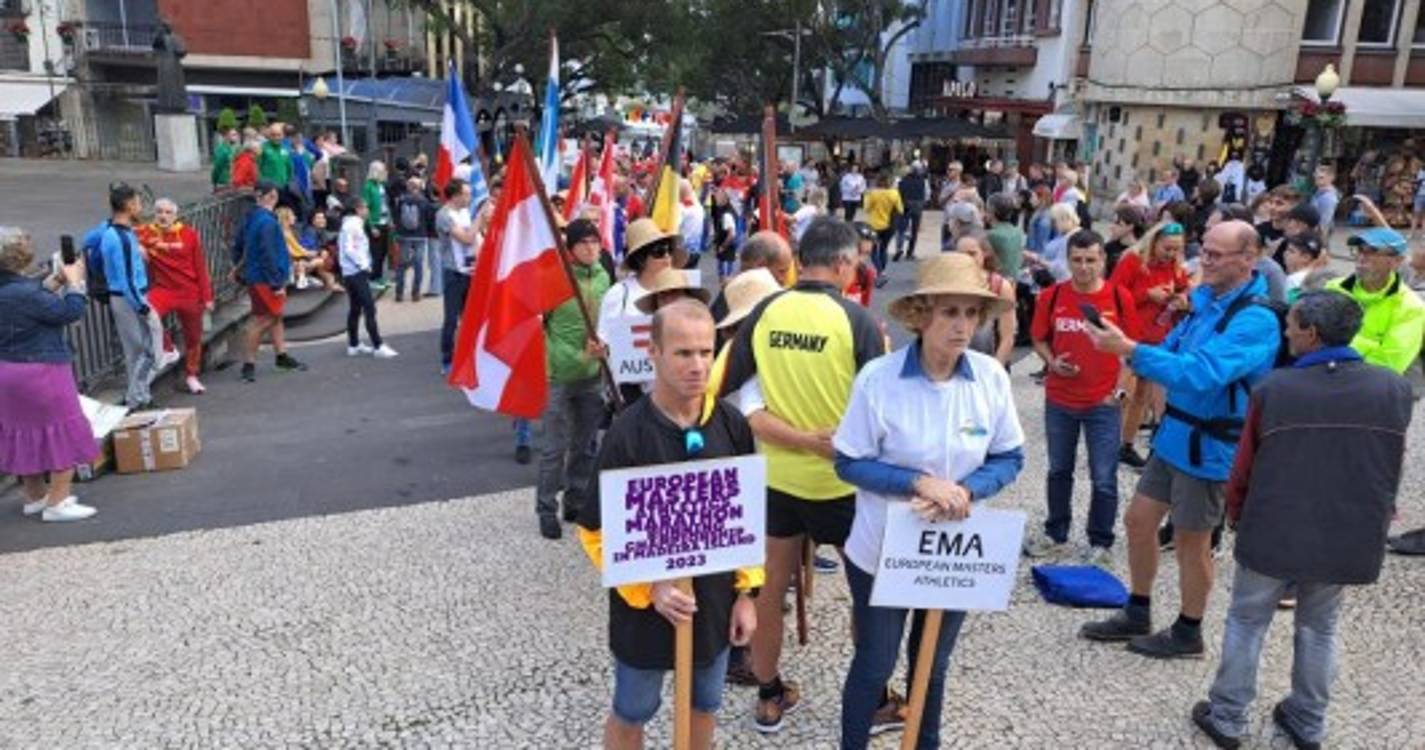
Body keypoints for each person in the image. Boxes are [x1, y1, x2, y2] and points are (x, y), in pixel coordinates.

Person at [1191, 291, 1413, 750]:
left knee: (1247, 621)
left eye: (1291, 325)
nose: (1285, 332)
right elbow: (1391, 462)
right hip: (1349, 526)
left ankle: (1229, 718)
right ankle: (1308, 721)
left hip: (1274, 522)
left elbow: (1244, 467)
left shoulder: (1275, 389)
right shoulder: (1392, 387)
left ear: (1311, 334)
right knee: (1320, 626)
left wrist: (1235, 514)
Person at [833, 252, 1025, 750]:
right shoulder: (879, 378)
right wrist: (918, 482)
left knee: (932, 666)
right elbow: (848, 462)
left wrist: (968, 490)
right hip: (881, 549)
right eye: (950, 312)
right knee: (875, 662)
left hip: (953, 552)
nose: (963, 326)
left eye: (971, 314)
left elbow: (1010, 456)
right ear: (922, 315)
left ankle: (925, 743)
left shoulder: (989, 378)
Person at [718, 216, 892, 735]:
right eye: (856, 262)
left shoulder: (767, 311)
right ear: (842, 263)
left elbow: (728, 385)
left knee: (769, 591)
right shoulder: (858, 321)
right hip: (841, 482)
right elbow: (882, 410)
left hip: (776, 480)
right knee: (868, 592)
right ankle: (876, 696)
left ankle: (769, 695)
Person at [1079, 220, 1280, 659]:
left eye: (1215, 254)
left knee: (1193, 540)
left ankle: (1189, 631)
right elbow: (1171, 353)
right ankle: (1138, 608)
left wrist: (1130, 351)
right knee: (1138, 521)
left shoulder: (1256, 320)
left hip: (1210, 446)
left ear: (1249, 258)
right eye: (1203, 250)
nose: (1202, 260)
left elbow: (1201, 373)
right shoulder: (1206, 301)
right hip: (1175, 435)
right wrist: (1129, 349)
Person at [575, 301, 761, 750]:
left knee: (704, 702)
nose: (697, 365)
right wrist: (649, 587)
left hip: (712, 602)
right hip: (644, 609)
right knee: (632, 708)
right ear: (653, 352)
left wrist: (746, 594)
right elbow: (594, 531)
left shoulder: (732, 425)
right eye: (683, 353)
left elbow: (748, 521)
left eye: (705, 352)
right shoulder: (627, 435)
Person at [1024, 230, 1140, 564]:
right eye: (1077, 260)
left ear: (1103, 260)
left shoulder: (1119, 298)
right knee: (1059, 470)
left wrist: (1120, 392)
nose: (1084, 267)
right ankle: (1056, 533)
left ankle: (1100, 540)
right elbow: (1038, 338)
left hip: (1103, 403)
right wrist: (1051, 362)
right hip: (1060, 399)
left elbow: (1132, 353)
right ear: (1068, 260)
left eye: (1091, 260)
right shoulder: (1052, 296)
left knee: (1103, 476)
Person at [0, 227, 99, 522]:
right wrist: (75, 284)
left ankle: (35, 496)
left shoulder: (12, 290)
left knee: (23, 432)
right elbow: (67, 313)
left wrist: (56, 279)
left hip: (7, 370)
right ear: (22, 256)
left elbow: (29, 300)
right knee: (63, 430)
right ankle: (58, 502)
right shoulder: (24, 293)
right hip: (41, 369)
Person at [536, 219, 611, 541]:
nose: (591, 248)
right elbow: (539, 324)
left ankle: (575, 500)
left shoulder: (604, 276)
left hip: (591, 375)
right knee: (554, 447)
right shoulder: (555, 278)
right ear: (572, 247)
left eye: (595, 242)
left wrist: (604, 346)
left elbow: (610, 321)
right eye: (584, 243)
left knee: (585, 445)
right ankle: (545, 509)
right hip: (558, 375)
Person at [1110, 221, 1192, 467]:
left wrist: (1182, 299)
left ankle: (1126, 444)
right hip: (1130, 335)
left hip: (1158, 336)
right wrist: (1147, 295)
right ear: (1154, 242)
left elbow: (1184, 287)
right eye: (1167, 248)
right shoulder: (1132, 261)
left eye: (1177, 249)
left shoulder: (1174, 265)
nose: (1171, 254)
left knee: (1143, 395)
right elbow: (1114, 295)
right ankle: (1108, 441)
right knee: (1121, 391)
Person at [598, 219, 685, 407]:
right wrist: (598, 349)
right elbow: (604, 341)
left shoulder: (683, 288)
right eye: (659, 252)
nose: (667, 257)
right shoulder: (619, 294)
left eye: (669, 249)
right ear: (640, 258)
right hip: (632, 393)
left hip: (675, 388)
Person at [137, 197, 214, 394]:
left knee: (193, 337)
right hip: (164, 290)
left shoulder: (189, 235)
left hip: (190, 291)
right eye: (159, 212)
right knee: (147, 311)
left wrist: (207, 297)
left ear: (175, 215)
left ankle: (191, 375)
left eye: (168, 212)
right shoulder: (144, 233)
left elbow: (200, 266)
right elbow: (118, 231)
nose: (163, 216)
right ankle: (168, 348)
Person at [233, 181, 307, 383]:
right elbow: (269, 253)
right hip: (266, 279)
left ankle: (281, 356)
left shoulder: (251, 217)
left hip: (257, 276)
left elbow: (239, 244)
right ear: (270, 196)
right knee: (264, 319)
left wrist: (239, 269)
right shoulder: (268, 222)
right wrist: (276, 284)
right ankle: (248, 365)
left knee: (275, 316)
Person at [1326, 226, 1425, 374]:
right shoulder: (1333, 287)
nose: (1361, 257)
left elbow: (1389, 365)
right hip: (1324, 375)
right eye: (1359, 250)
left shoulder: (1411, 307)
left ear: (1396, 261)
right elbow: (1312, 340)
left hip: (1371, 387)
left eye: (1372, 251)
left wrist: (1340, 346)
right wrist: (1371, 346)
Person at [94, 184, 157, 408]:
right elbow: (126, 278)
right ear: (129, 205)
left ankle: (140, 396)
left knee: (140, 350)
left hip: (126, 297)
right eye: (138, 203)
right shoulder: (120, 236)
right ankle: (137, 398)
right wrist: (142, 306)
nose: (141, 207)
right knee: (142, 351)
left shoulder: (115, 232)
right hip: (129, 298)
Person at [338, 198, 398, 360]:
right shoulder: (352, 225)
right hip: (355, 273)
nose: (367, 211)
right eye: (365, 207)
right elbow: (349, 249)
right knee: (369, 308)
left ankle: (354, 344)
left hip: (352, 273)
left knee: (355, 309)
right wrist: (363, 264)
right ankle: (378, 345)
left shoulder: (351, 224)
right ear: (358, 209)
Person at [952, 233, 1017, 367]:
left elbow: (1007, 337)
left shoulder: (999, 286)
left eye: (972, 254)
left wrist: (994, 370)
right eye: (961, 255)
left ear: (985, 253)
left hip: (988, 361)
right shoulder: (948, 284)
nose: (966, 260)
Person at [434, 180, 478, 374]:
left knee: (470, 317)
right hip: (453, 272)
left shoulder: (465, 212)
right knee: (451, 319)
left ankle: (470, 355)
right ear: (456, 196)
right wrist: (481, 221)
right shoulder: (444, 215)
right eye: (466, 194)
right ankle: (447, 359)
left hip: (470, 270)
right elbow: (466, 238)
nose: (469, 198)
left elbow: (473, 241)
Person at [393, 176, 433, 303]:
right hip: (420, 235)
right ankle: (415, 293)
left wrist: (398, 231)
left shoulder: (401, 200)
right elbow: (428, 218)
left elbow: (396, 216)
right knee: (418, 265)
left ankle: (399, 293)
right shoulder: (424, 201)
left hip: (404, 236)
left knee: (401, 264)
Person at [862, 172, 903, 281]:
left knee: (873, 250)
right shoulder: (894, 193)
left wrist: (866, 196)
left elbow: (866, 209)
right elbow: (900, 209)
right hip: (889, 225)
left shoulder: (873, 193)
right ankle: (882, 271)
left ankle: (879, 272)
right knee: (884, 249)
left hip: (874, 225)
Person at [1027, 202, 1079, 282]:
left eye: (1054, 221)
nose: (1052, 224)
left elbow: (1060, 269)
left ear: (1062, 219)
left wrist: (1037, 259)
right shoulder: (1066, 233)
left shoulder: (1069, 239)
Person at [362, 161, 392, 289]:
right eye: (382, 171)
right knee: (376, 253)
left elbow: (385, 203)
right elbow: (366, 207)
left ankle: (380, 277)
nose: (384, 173)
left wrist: (390, 220)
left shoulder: (381, 185)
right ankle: (373, 278)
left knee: (384, 251)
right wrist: (371, 226)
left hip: (384, 221)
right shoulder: (368, 186)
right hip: (375, 223)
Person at [985, 194, 1026, 279]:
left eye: (987, 209)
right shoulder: (1017, 231)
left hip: (999, 283)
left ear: (992, 211)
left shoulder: (991, 235)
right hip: (1014, 281)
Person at [894, 163, 929, 260]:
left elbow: (896, 193)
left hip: (904, 204)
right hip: (917, 205)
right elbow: (927, 194)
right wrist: (923, 203)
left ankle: (899, 249)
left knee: (901, 229)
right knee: (914, 230)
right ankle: (910, 252)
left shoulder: (901, 180)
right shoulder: (923, 181)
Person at [1281, 234, 1327, 303]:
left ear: (1306, 258)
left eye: (1291, 251)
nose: (1285, 253)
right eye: (1286, 249)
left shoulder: (1294, 280)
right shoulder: (1320, 275)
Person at [1105, 204, 1148, 277]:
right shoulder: (1109, 247)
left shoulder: (1140, 252)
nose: (1111, 227)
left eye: (1118, 224)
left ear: (1130, 226)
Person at [710, 188, 739, 281]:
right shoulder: (725, 210)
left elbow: (731, 234)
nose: (716, 199)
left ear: (725, 199)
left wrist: (723, 246)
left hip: (725, 251)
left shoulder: (727, 214)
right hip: (726, 250)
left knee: (725, 277)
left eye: (718, 197)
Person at [678, 178, 707, 269]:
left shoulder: (681, 209)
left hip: (683, 252)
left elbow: (674, 226)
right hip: (696, 251)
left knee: (680, 280)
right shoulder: (697, 206)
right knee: (691, 279)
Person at [257, 124, 292, 193]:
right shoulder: (263, 148)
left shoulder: (286, 148)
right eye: (273, 135)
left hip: (283, 186)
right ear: (269, 136)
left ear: (283, 135)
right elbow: (257, 167)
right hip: (268, 188)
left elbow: (289, 167)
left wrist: (288, 182)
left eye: (279, 135)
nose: (276, 137)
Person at [1311, 166, 1340, 239]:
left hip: (1320, 230)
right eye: (1316, 176)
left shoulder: (1328, 196)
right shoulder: (1319, 192)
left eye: (1321, 177)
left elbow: (1325, 220)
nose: (1317, 179)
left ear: (1331, 178)